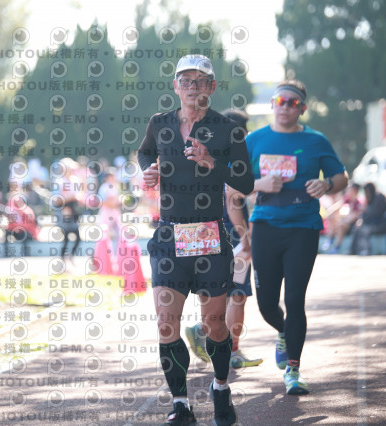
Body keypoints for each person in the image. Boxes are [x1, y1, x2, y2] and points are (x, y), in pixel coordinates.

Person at [138, 54, 254, 426]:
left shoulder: (228, 130)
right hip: (170, 235)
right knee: (166, 324)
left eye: (200, 81)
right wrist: (149, 171)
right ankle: (181, 404)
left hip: (209, 236)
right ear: (175, 86)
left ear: (211, 87)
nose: (192, 87)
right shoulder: (160, 123)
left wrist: (211, 163)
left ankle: (220, 387)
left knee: (214, 324)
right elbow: (145, 152)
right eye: (185, 80)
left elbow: (246, 181)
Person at [247, 79, 348, 395]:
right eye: (280, 101)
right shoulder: (255, 139)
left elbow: (341, 176)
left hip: (303, 228)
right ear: (272, 104)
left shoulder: (316, 140)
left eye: (292, 103)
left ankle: (293, 369)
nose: (285, 107)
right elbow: (233, 180)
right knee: (266, 304)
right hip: (265, 227)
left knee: (294, 299)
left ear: (302, 108)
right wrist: (258, 185)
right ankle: (283, 331)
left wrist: (326, 185)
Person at [185, 109, 263, 370]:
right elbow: (232, 201)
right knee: (237, 294)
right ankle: (231, 350)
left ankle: (203, 331)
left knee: (216, 293)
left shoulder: (204, 157)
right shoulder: (232, 161)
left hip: (204, 231)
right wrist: (245, 238)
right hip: (230, 233)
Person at [350, 182, 386, 255]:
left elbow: (376, 213)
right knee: (356, 229)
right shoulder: (369, 200)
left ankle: (366, 249)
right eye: (366, 191)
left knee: (365, 230)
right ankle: (352, 250)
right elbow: (365, 216)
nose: (367, 193)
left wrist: (366, 210)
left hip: (380, 225)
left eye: (368, 191)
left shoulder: (379, 198)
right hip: (370, 224)